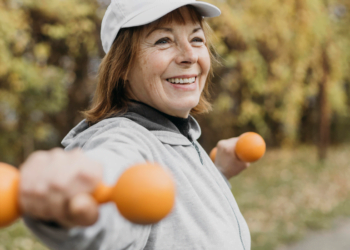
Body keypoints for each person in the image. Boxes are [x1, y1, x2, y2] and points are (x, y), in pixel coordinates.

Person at [20, 0, 251, 249]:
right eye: (163, 40)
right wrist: (75, 210)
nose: (190, 55)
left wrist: (217, 174)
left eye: (196, 39)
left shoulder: (177, 133)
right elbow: (111, 187)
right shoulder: (122, 140)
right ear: (123, 66)